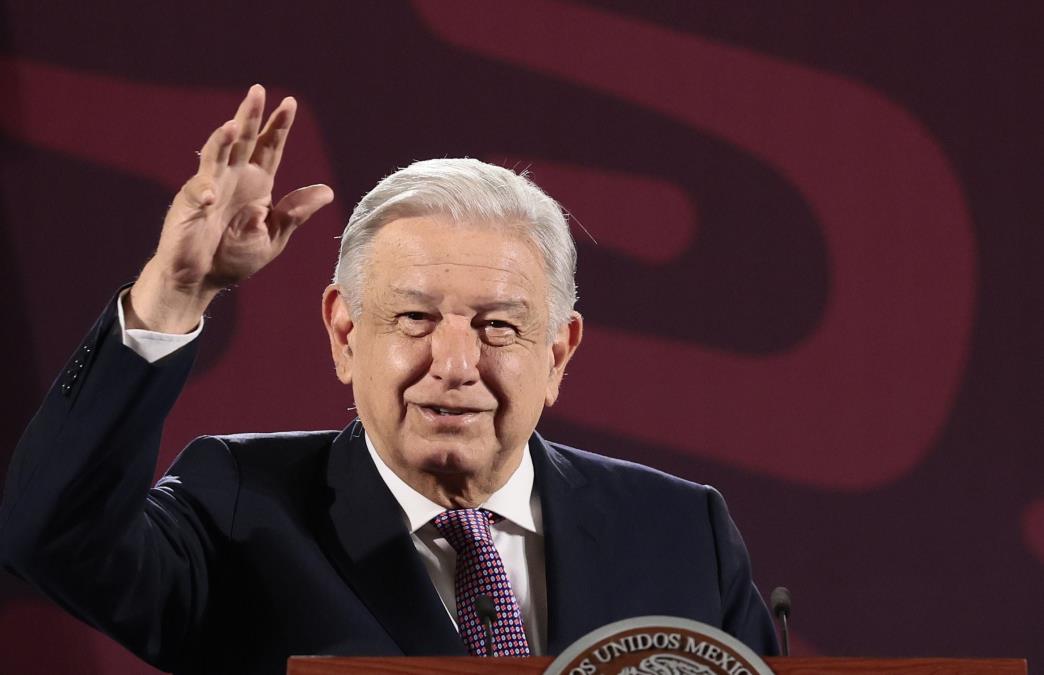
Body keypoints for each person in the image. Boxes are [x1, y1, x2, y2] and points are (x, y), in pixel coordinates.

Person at [0, 85, 778, 674]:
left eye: (498, 325)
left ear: (559, 352)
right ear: (344, 332)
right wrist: (171, 295)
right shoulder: (238, 508)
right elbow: (52, 533)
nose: (454, 363)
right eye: (413, 319)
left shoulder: (681, 533)